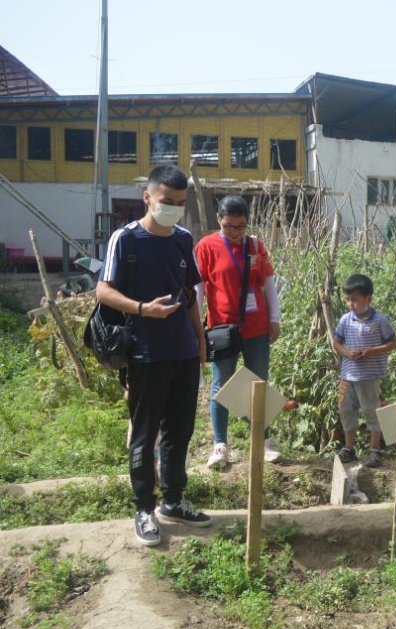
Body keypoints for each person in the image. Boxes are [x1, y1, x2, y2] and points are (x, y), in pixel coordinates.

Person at [95, 165, 212, 546]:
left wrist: (199, 338)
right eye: (166, 201)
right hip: (145, 353)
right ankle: (144, 508)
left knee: (180, 432)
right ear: (147, 197)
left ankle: (174, 500)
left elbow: (189, 294)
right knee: (145, 436)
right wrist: (144, 309)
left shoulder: (183, 238)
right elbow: (103, 291)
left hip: (183, 352)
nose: (173, 208)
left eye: (180, 202)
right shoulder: (126, 238)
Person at [194, 195, 282, 468]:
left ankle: (264, 441)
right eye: (228, 226)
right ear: (218, 220)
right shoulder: (206, 247)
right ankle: (220, 445)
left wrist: (275, 319)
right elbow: (198, 291)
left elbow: (269, 285)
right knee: (221, 384)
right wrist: (196, 328)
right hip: (221, 329)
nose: (234, 231)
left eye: (240, 226)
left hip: (256, 328)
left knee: (259, 384)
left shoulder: (255, 246)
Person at [333, 274, 396, 467]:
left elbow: (394, 342)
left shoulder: (379, 321)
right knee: (345, 409)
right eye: (348, 299)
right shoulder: (346, 320)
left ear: (368, 299)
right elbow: (337, 343)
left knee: (371, 410)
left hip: (369, 376)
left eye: (354, 299)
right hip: (347, 376)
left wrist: (372, 351)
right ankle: (349, 448)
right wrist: (346, 352)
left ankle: (374, 449)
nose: (350, 304)